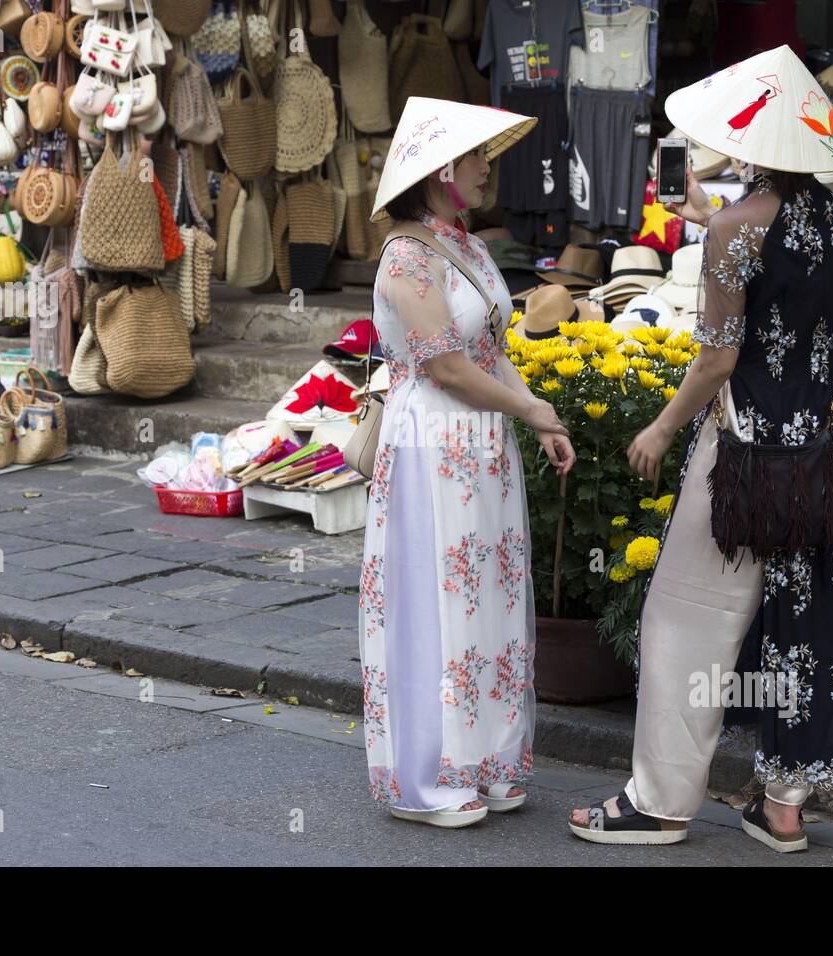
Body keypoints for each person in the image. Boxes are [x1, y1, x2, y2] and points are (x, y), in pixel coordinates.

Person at [569, 47, 833, 851]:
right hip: (826, 445)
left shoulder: (739, 226)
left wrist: (661, 427)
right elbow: (788, 281)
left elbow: (717, 357)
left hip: (747, 449)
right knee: (801, 615)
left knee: (686, 616)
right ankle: (782, 804)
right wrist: (711, 219)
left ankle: (661, 801)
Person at [359, 97, 576, 829]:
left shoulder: (472, 247)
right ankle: (429, 776)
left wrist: (533, 412)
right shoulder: (406, 256)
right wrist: (529, 411)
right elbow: (445, 368)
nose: (489, 170)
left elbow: (492, 355)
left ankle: (491, 761)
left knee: (491, 599)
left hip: (484, 447)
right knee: (438, 604)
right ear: (443, 169)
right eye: (478, 158)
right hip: (430, 446)